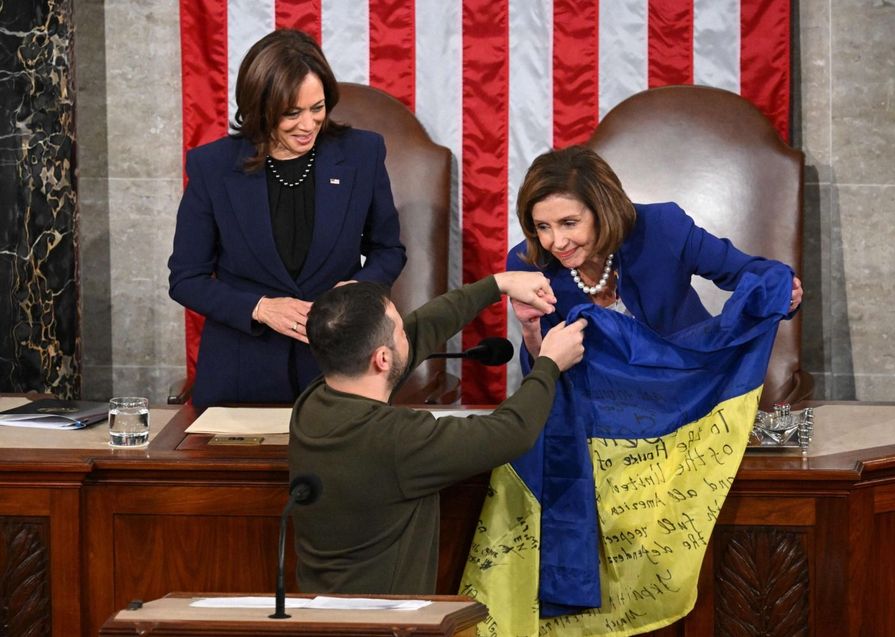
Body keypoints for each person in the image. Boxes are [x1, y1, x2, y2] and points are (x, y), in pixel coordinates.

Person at [288, 271, 587, 594]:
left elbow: (420, 331)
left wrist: (497, 285)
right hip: (387, 625)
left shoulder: (312, 405)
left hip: (323, 615)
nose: (409, 333)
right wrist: (549, 364)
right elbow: (512, 431)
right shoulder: (395, 440)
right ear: (382, 358)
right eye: (401, 330)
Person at [168, 29, 405, 406]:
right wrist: (260, 308)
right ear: (259, 107)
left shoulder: (362, 154)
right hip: (241, 373)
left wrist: (356, 291)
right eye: (291, 113)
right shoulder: (213, 167)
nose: (309, 124)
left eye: (318, 107)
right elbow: (186, 278)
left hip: (339, 369)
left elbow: (388, 250)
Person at [507, 145, 802, 368]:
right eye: (543, 227)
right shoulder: (528, 265)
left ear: (603, 211)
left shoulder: (662, 228)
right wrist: (531, 332)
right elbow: (545, 378)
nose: (556, 242)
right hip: (600, 413)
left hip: (689, 386)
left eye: (569, 223)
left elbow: (746, 272)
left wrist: (781, 291)